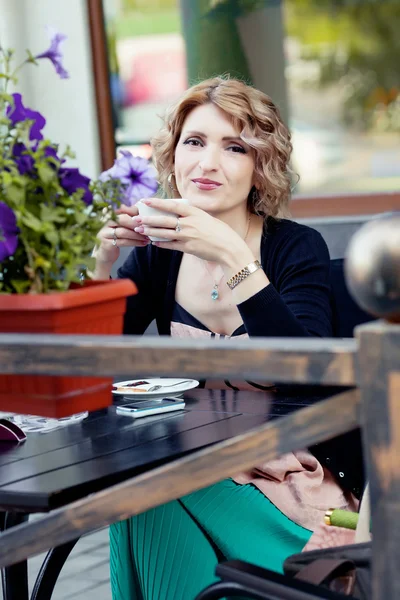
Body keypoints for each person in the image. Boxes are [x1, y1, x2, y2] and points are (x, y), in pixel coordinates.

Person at [93, 77, 357, 600]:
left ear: (261, 167)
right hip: (198, 471)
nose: (207, 163)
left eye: (233, 147)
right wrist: (100, 264)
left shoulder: (294, 248)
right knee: (144, 486)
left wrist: (233, 257)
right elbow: (93, 360)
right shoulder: (157, 255)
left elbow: (305, 382)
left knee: (146, 486)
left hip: (299, 490)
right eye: (194, 142)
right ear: (172, 157)